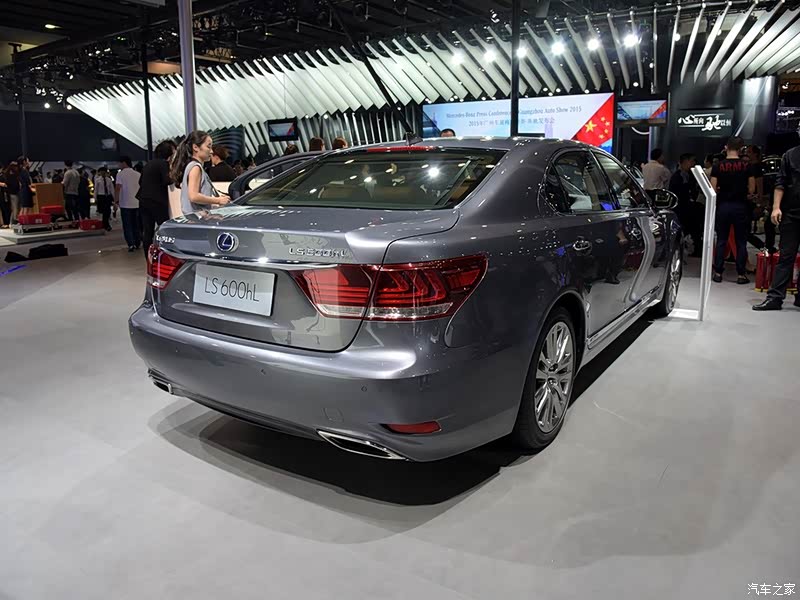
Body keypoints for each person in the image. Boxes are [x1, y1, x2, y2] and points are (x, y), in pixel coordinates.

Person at [753, 143, 800, 310]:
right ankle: (775, 297)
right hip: (792, 214)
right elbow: (780, 182)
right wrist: (776, 207)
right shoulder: (790, 155)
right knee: (785, 256)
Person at [710, 136, 756, 284]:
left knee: (721, 240)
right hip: (741, 206)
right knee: (741, 241)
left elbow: (712, 188)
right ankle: (741, 274)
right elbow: (752, 189)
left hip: (723, 206)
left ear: (726, 147)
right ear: (741, 149)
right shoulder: (747, 166)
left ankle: (718, 272)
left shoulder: (718, 166)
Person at [171, 130, 231, 215]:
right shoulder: (195, 167)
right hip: (197, 219)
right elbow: (193, 196)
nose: (211, 151)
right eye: (208, 146)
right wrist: (218, 200)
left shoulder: (194, 166)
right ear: (195, 147)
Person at [138, 140, 176, 255]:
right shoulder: (163, 164)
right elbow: (167, 180)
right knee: (165, 228)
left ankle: (148, 257)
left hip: (143, 199)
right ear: (169, 152)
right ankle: (167, 254)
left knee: (147, 231)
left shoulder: (149, 164)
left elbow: (140, 181)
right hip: (157, 201)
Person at [669, 153, 703, 257]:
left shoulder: (691, 175)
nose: (693, 163)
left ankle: (697, 248)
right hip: (681, 208)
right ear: (685, 161)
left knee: (695, 229)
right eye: (692, 161)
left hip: (689, 207)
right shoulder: (677, 177)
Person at [115, 156, 142, 252]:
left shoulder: (120, 174)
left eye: (119, 163)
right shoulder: (138, 174)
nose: (118, 165)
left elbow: (118, 188)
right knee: (136, 224)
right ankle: (138, 242)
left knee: (127, 225)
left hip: (125, 204)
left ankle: (131, 244)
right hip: (137, 203)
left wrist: (116, 201)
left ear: (124, 163)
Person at [94, 166, 115, 231]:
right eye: (101, 172)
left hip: (108, 196)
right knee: (104, 211)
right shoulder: (97, 180)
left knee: (108, 211)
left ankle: (105, 224)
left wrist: (114, 197)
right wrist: (95, 197)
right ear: (100, 172)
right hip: (101, 196)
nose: (103, 173)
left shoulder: (109, 180)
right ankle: (106, 224)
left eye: (104, 172)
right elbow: (96, 189)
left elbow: (111, 189)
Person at [3, 161, 21, 226]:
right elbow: (12, 184)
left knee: (15, 208)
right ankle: (14, 221)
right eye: (15, 166)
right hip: (13, 193)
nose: (16, 168)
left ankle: (12, 222)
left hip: (13, 192)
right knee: (15, 207)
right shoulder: (11, 175)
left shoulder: (8, 174)